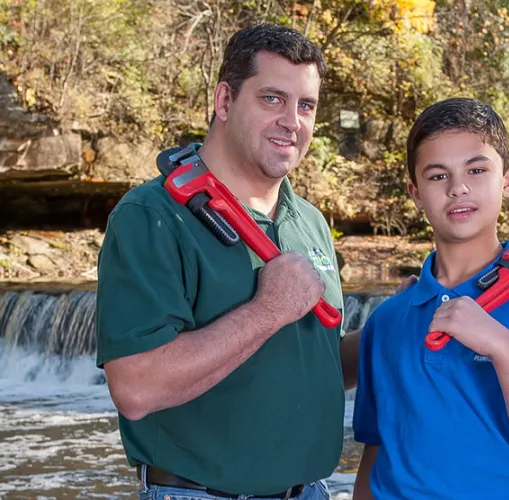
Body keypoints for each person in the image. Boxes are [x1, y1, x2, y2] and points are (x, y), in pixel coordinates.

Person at [95, 22, 355, 500]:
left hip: (312, 490)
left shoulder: (311, 223)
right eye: (272, 98)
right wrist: (267, 310)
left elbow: (312, 365)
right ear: (224, 101)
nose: (292, 121)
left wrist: (399, 328)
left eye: (306, 106)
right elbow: (135, 388)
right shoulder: (151, 216)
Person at [351, 97, 509, 500]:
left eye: (477, 170)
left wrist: (503, 348)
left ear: (508, 180)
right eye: (438, 176)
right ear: (416, 193)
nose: (458, 187)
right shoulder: (388, 319)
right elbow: (375, 453)